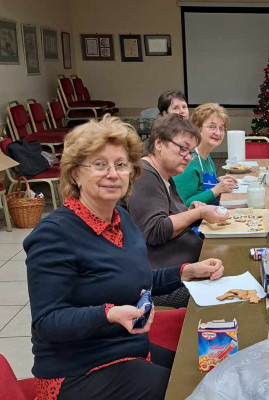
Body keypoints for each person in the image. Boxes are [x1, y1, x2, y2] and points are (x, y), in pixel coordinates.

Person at [24, 115, 225, 400]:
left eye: (120, 165)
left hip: (127, 349)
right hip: (78, 370)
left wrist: (187, 272)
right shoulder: (55, 234)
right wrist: (109, 313)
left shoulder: (122, 220)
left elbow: (136, 280)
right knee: (195, 390)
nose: (113, 173)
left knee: (211, 370)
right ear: (74, 174)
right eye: (99, 164)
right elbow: (47, 322)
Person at [128, 114, 230, 307]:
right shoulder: (145, 176)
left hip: (184, 266)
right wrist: (197, 214)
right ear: (159, 143)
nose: (188, 157)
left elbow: (168, 218)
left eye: (191, 152)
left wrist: (190, 211)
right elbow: (156, 231)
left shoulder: (165, 174)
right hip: (167, 280)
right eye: (183, 149)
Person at [173, 103, 237, 207]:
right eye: (212, 127)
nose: (218, 133)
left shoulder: (207, 157)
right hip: (195, 222)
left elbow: (200, 187)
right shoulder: (189, 160)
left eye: (221, 128)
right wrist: (216, 190)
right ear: (197, 128)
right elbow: (182, 205)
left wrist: (217, 182)